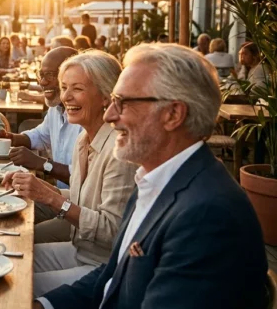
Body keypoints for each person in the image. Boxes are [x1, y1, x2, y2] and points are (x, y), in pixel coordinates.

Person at [35, 44, 267, 309]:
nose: (110, 115)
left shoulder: (208, 215)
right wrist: (44, 304)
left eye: (123, 102)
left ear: (173, 114)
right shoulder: (153, 179)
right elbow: (115, 274)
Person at [3, 51, 137, 296]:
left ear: (106, 96)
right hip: (80, 249)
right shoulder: (84, 138)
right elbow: (79, 199)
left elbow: (112, 230)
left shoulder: (119, 151)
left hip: (105, 266)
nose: (66, 97)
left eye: (77, 88)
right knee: (3, 259)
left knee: (13, 287)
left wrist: (52, 198)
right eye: (64, 87)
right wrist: (38, 187)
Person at [3, 47, 82, 191]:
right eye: (41, 75)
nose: (43, 82)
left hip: (76, 204)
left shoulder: (86, 116)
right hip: (63, 197)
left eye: (50, 75)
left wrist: (41, 164)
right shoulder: (56, 109)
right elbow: (40, 135)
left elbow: (85, 178)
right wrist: (11, 138)